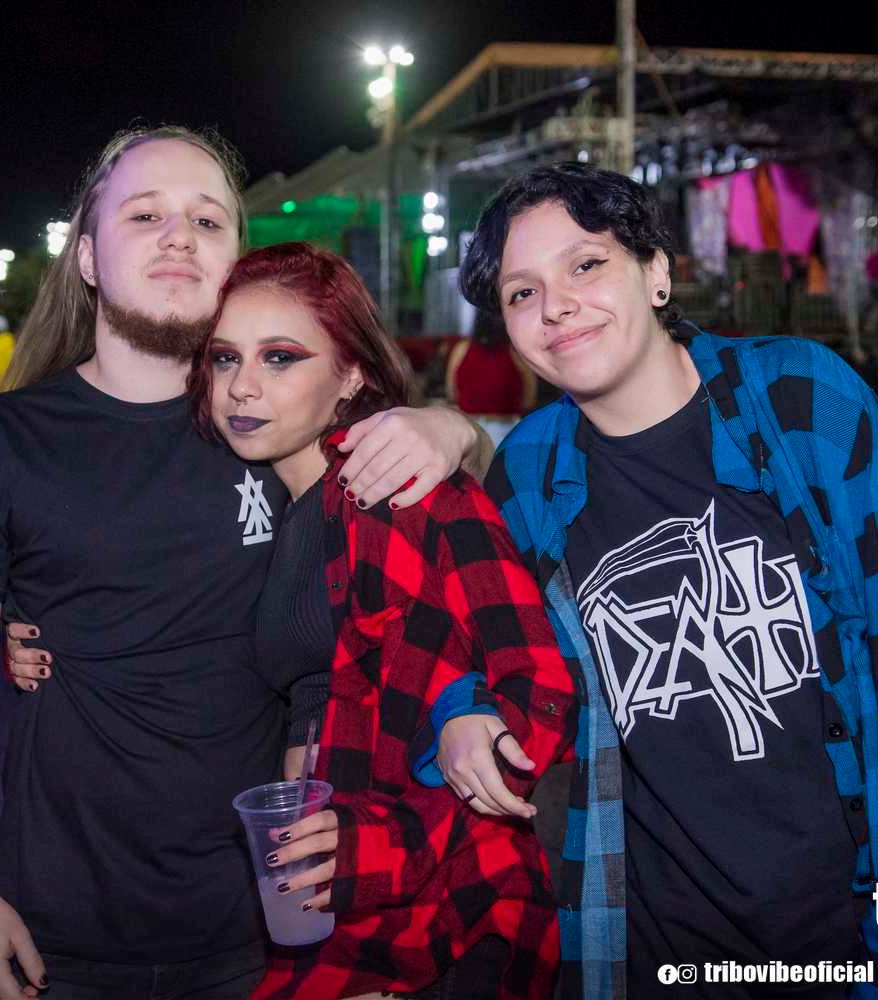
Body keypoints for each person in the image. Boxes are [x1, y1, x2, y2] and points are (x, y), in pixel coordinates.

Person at [0, 125, 477, 1000]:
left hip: (263, 930)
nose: (179, 237)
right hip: (53, 930)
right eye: (145, 215)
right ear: (87, 256)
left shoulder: (277, 429)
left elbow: (438, 557)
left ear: (236, 263)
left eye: (208, 221)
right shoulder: (0, 442)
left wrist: (452, 427)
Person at [424, 161, 878, 998]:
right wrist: (459, 708)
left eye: (586, 264)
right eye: (521, 292)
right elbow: (472, 639)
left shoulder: (800, 400)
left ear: (657, 272)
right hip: (651, 948)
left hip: (852, 937)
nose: (556, 306)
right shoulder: (531, 474)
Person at [185, 242, 573, 999]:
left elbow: (541, 693)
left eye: (281, 357)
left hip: (437, 915)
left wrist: (388, 835)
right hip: (326, 894)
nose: (242, 386)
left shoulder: (402, 492)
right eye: (225, 358)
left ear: (352, 374)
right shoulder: (267, 503)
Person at [444, 308, 537, 449]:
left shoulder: (461, 349)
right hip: (506, 429)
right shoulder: (516, 351)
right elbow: (529, 398)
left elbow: (451, 393)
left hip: (469, 429)